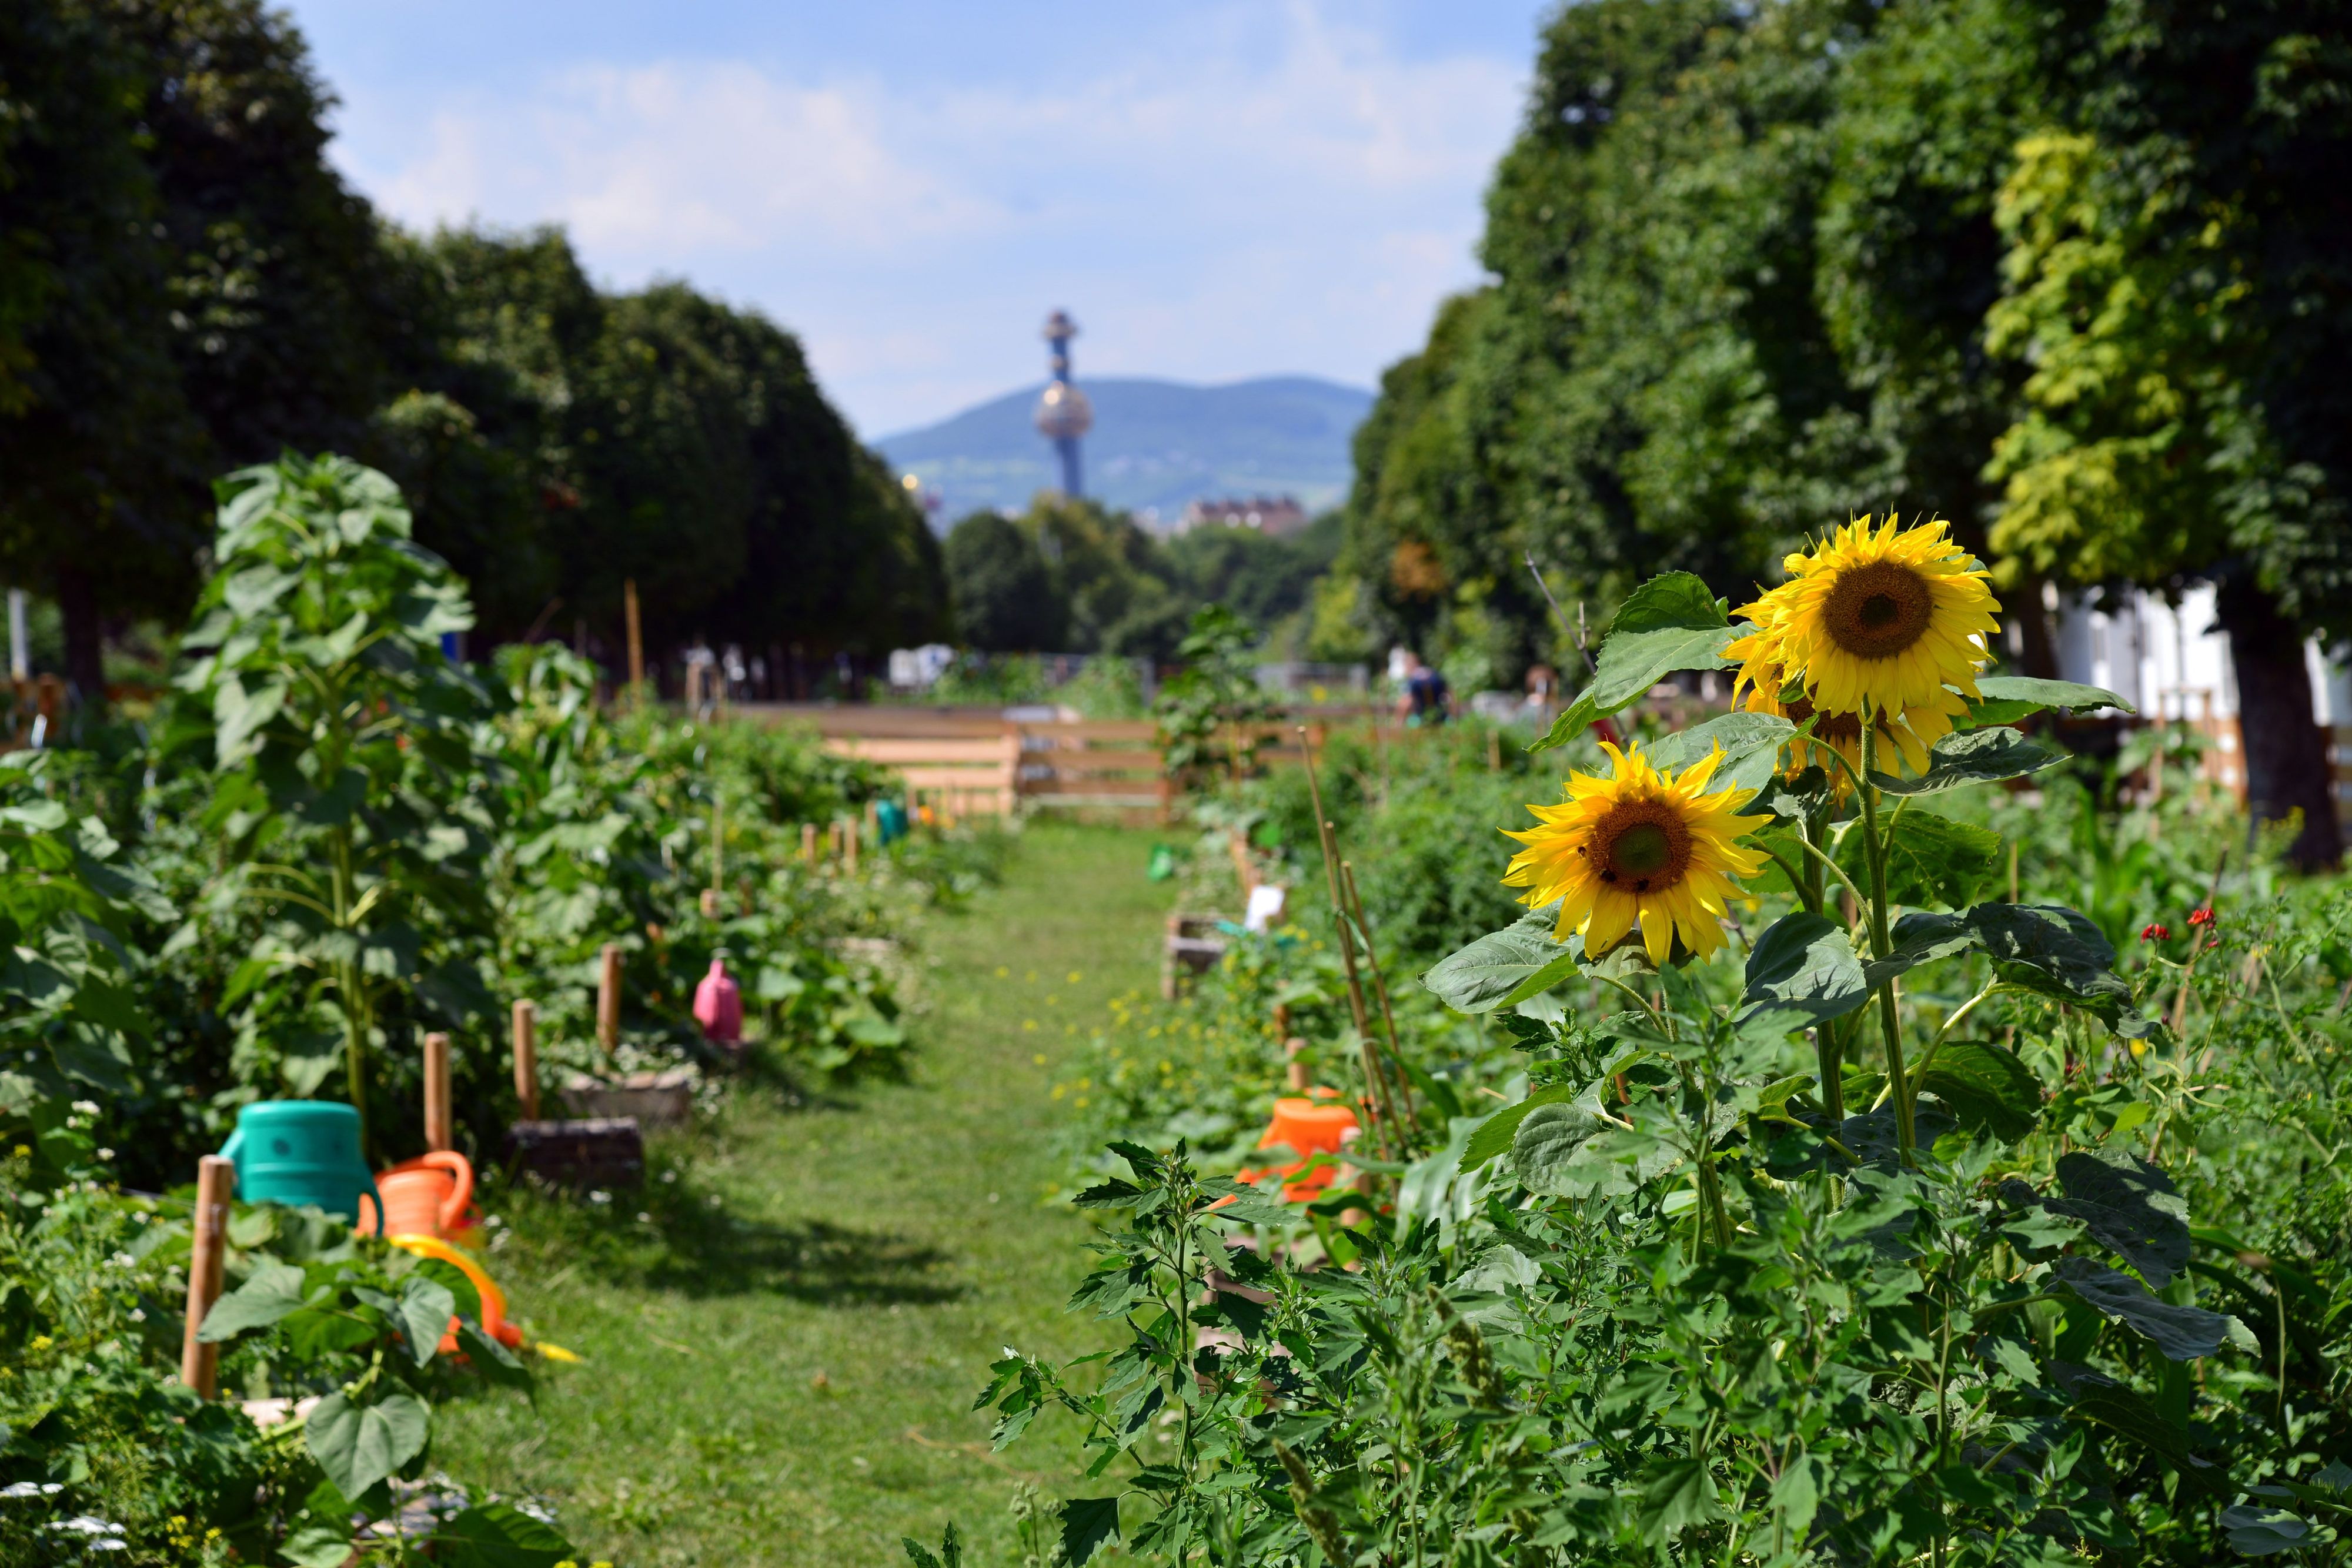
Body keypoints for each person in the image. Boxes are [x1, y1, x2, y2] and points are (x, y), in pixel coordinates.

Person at [1394, 651, 1452, 727]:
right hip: (1441, 717)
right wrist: (1453, 715)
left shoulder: (1413, 680)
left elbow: (1407, 702)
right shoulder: (1434, 673)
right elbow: (1450, 694)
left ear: (1408, 665)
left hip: (1422, 719)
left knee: (1412, 723)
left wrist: (1398, 724)